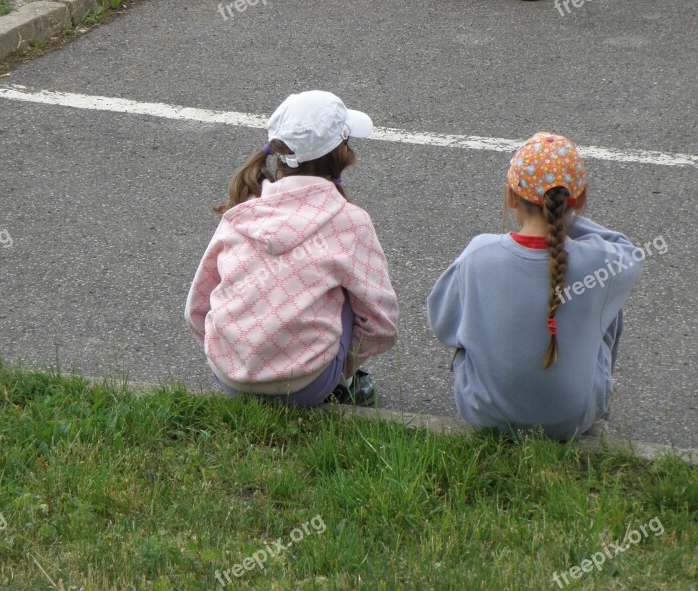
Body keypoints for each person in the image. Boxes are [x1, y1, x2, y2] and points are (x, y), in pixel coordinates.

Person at [186, 91, 399, 407]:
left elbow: (196, 308)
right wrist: (342, 366)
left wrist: (234, 356)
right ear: (342, 152)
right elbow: (382, 323)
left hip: (229, 377)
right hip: (305, 386)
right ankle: (344, 388)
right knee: (353, 294)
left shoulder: (243, 211)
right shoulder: (350, 221)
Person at [426, 132, 643, 440]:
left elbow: (443, 325)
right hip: (572, 420)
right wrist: (566, 220)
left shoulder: (478, 254)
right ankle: (595, 416)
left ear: (511, 196)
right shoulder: (601, 262)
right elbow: (630, 251)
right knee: (607, 305)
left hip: (485, 415)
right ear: (579, 199)